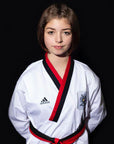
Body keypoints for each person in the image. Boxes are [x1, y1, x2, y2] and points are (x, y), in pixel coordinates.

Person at [8, 3, 107, 144]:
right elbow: (17, 117)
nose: (58, 39)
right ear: (42, 33)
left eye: (66, 32)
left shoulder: (86, 75)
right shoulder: (29, 76)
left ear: (74, 34)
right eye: (51, 32)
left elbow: (97, 114)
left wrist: (78, 136)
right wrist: (38, 139)